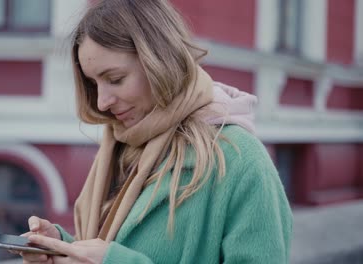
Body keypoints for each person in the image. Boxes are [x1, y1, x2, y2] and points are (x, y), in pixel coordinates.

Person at [20, 0, 293, 263]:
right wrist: (63, 247)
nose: (102, 102)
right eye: (93, 84)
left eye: (115, 79)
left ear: (160, 62)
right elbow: (116, 245)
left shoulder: (240, 159)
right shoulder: (120, 148)